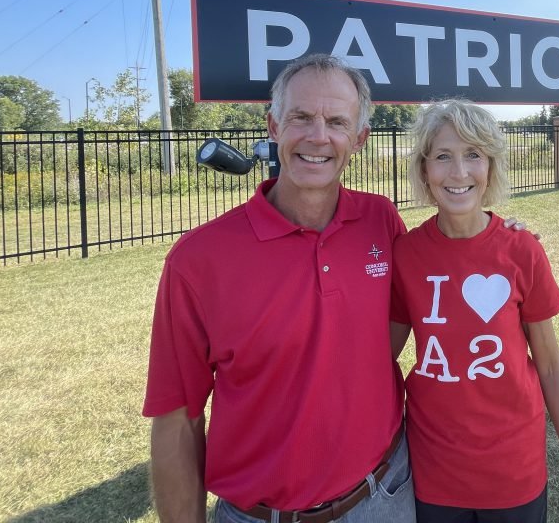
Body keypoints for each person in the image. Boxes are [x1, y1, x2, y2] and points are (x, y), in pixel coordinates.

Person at [143, 54, 414, 523]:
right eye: (301, 117)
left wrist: (501, 235)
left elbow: (425, 291)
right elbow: (176, 420)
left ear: (360, 139)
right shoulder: (198, 260)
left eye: (336, 122)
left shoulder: (381, 220)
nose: (318, 136)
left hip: (387, 493)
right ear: (272, 126)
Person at [390, 99, 559, 523]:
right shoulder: (407, 254)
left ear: (491, 168)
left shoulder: (522, 250)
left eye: (473, 156)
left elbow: (552, 368)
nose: (459, 172)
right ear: (425, 172)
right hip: (433, 473)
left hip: (513, 473)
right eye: (443, 156)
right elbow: (380, 360)